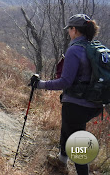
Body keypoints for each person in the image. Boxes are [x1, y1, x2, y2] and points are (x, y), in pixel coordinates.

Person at [29, 14, 102, 175]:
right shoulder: (93, 46)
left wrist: (41, 85)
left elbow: (65, 82)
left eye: (69, 29)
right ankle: (61, 161)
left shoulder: (74, 50)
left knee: (78, 143)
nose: (68, 32)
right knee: (67, 128)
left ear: (75, 30)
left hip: (77, 104)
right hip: (94, 103)